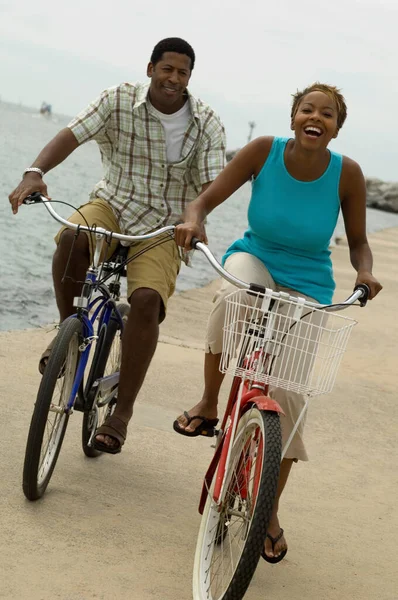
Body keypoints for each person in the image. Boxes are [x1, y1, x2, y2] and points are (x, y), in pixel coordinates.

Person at [173, 83, 382, 562]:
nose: (316, 117)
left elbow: (358, 242)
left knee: (288, 397)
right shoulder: (263, 151)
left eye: (326, 114)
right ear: (293, 117)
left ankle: (267, 508)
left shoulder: (346, 173)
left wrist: (365, 271)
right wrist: (195, 219)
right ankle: (209, 404)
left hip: (308, 280)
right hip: (256, 258)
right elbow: (205, 199)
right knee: (231, 300)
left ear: (336, 127)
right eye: (307, 109)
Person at [9, 37, 226, 454]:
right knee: (72, 237)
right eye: (167, 69)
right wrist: (35, 170)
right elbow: (72, 134)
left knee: (145, 301)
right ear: (150, 69)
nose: (173, 79)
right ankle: (66, 334)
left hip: (165, 225)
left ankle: (121, 413)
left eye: (182, 73)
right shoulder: (118, 100)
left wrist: (195, 219)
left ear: (189, 79)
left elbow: (213, 184)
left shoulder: (207, 123)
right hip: (111, 202)